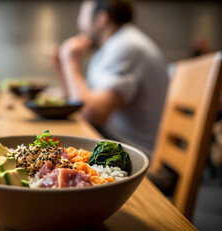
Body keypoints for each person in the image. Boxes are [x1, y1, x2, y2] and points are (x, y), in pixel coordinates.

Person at [53, 0, 169, 158]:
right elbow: (76, 104)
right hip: (116, 144)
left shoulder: (126, 46)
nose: (79, 23)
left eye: (83, 16)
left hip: (139, 158)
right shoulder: (110, 49)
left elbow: (93, 113)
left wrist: (71, 62)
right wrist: (62, 66)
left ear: (101, 18)